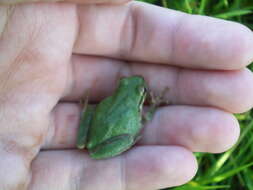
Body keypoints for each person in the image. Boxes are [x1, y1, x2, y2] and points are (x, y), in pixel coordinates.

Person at [0, 0, 253, 189]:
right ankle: (122, 141)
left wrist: (89, 109)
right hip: (111, 134)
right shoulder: (138, 109)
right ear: (140, 98)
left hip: (96, 132)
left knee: (89, 140)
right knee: (134, 130)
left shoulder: (112, 98)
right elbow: (146, 117)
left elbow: (103, 110)